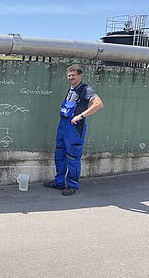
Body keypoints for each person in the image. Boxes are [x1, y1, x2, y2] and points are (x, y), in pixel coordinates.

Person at [43, 64, 104, 196]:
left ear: (80, 75)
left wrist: (81, 115)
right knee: (59, 155)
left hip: (75, 130)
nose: (71, 77)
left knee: (72, 158)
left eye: (73, 75)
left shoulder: (86, 89)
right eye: (69, 75)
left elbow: (99, 104)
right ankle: (59, 182)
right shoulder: (71, 90)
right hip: (63, 128)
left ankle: (72, 186)